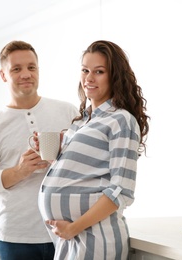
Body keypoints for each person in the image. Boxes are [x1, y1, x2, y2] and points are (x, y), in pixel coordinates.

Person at [38, 40, 150, 259]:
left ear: (114, 76)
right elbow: (78, 176)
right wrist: (54, 155)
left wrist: (74, 227)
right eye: (85, 70)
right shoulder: (81, 122)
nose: (89, 78)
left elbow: (121, 191)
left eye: (99, 71)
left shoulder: (121, 120)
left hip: (95, 238)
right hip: (69, 239)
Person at [0, 40, 79, 260]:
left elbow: (88, 162)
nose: (26, 74)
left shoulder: (68, 111)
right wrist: (20, 171)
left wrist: (62, 157)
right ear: (3, 75)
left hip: (68, 230)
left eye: (31, 67)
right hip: (16, 237)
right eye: (16, 69)